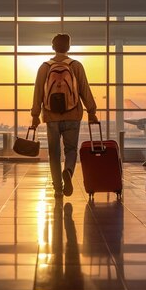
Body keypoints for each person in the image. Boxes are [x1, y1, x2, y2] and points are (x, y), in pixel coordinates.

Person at [31, 33, 98, 197]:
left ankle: (58, 189)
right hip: (73, 115)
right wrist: (91, 111)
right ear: (68, 47)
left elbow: (38, 91)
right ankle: (68, 170)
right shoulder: (76, 65)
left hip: (51, 117)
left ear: (53, 47)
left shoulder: (45, 66)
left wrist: (35, 115)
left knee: (54, 153)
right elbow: (84, 89)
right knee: (71, 150)